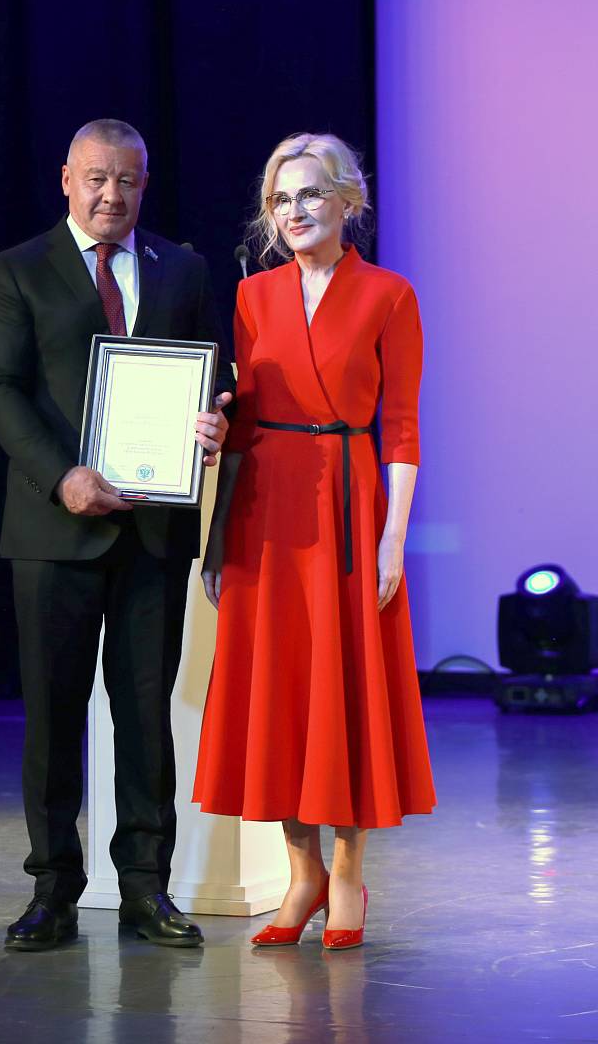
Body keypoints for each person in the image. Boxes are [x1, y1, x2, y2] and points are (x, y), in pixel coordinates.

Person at [0, 119, 233, 952]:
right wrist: (64, 476)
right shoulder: (20, 268)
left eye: (126, 180)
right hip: (54, 528)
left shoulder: (181, 269)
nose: (111, 194)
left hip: (153, 532)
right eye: (96, 178)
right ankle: (53, 889)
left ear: (144, 184)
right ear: (67, 179)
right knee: (53, 717)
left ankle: (146, 889)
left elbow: (213, 378)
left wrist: (214, 423)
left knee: (146, 717)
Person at [192, 132, 435, 950]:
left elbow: (402, 428)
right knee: (284, 691)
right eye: (279, 199)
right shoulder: (254, 296)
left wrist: (393, 539)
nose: (292, 211)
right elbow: (243, 424)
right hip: (267, 511)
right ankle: (302, 876)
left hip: (348, 510)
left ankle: (348, 873)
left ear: (347, 202)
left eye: (308, 194)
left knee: (344, 686)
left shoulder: (388, 295)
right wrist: (218, 532)